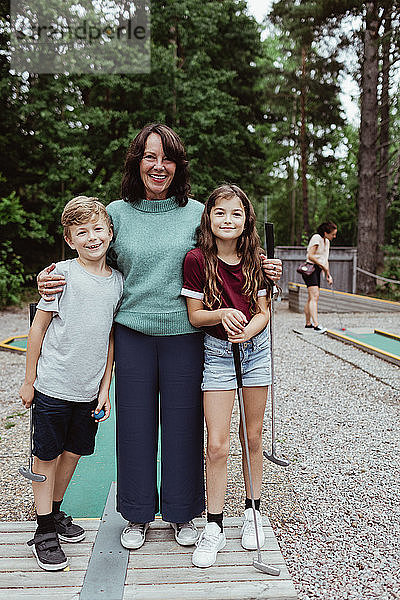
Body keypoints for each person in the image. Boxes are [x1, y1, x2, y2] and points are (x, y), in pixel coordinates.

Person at [36, 123, 283, 551]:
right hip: (131, 335)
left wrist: (264, 266)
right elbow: (87, 250)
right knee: (134, 428)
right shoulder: (116, 212)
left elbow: (230, 249)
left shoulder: (194, 213)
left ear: (177, 165)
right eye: (150, 157)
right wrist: (47, 277)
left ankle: (185, 513)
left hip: (186, 336)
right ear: (137, 162)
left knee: (184, 427)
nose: (158, 166)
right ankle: (135, 515)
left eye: (167, 157)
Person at [19, 196, 123, 571]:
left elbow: (111, 337)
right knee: (45, 456)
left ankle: (56, 512)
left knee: (74, 453)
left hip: (88, 391)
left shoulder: (117, 283)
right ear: (70, 238)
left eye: (98, 229)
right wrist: (29, 380)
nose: (92, 237)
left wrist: (104, 387)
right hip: (52, 386)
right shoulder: (61, 275)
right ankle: (43, 529)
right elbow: (38, 329)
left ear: (110, 232)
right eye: (82, 232)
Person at [181, 184, 272, 568]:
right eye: (220, 212)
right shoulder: (197, 259)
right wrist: (222, 316)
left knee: (252, 436)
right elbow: (195, 316)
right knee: (216, 445)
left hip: (255, 352)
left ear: (246, 219)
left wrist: (250, 330)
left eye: (236, 213)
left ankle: (252, 512)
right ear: (209, 217)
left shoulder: (257, 259)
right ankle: (214, 525)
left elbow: (264, 311)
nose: (228, 220)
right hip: (218, 355)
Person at [301, 221, 337, 333]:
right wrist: (322, 266)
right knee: (314, 296)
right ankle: (316, 325)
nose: (334, 236)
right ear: (326, 232)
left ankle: (308, 323)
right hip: (310, 269)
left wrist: (328, 275)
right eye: (333, 234)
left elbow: (325, 260)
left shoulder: (327, 242)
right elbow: (310, 255)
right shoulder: (316, 238)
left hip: (318, 270)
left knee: (311, 297)